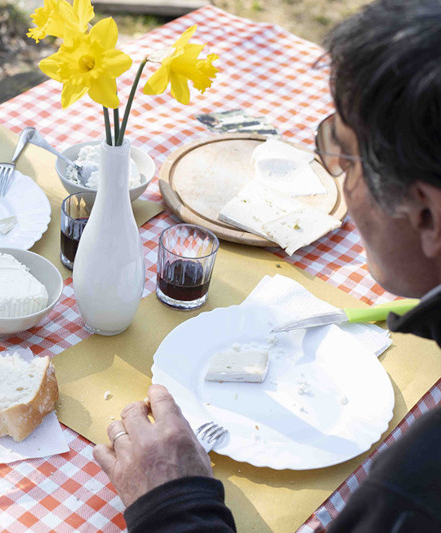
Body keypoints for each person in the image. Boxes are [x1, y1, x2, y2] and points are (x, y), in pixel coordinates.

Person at [93, 0, 441, 531]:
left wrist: (176, 503)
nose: (337, 188)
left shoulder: (415, 491)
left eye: (342, 157)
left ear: (427, 215)